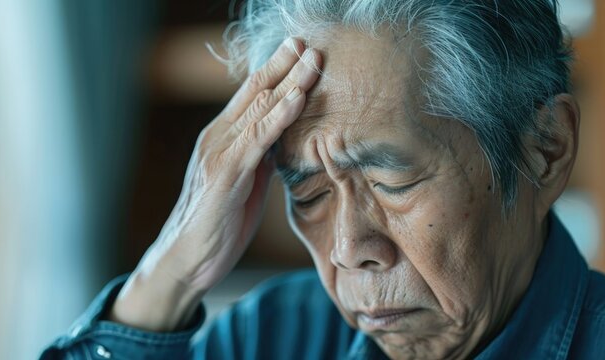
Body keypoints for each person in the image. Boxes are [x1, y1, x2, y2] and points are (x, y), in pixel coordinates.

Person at [41, 0, 605, 358]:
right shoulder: (277, 337)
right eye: (309, 193)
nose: (348, 249)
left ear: (544, 149)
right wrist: (168, 277)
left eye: (392, 181)